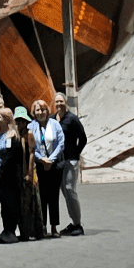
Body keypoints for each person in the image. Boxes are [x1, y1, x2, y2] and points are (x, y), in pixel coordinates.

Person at [31, 98, 66, 238]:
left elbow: (61, 143)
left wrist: (51, 159)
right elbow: (31, 145)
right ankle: (42, 225)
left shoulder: (55, 124)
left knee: (54, 196)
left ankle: (54, 226)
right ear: (34, 112)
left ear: (47, 111)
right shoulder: (31, 126)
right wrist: (41, 159)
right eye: (38, 110)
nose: (41, 112)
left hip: (55, 165)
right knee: (42, 197)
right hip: (40, 166)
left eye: (43, 109)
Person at [54, 93, 88, 237]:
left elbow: (83, 138)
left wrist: (75, 154)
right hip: (59, 161)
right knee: (65, 191)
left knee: (70, 189)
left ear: (65, 102)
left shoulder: (72, 119)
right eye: (57, 101)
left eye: (61, 101)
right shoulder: (52, 119)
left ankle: (78, 224)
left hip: (70, 160)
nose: (59, 103)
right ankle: (73, 222)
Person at [0, 106, 25, 243]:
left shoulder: (13, 137)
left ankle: (11, 231)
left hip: (10, 177)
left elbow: (10, 158)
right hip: (0, 177)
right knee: (4, 206)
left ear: (6, 120)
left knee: (11, 204)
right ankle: (6, 229)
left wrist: (0, 171)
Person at [14, 108, 46, 241]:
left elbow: (32, 153)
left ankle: (36, 230)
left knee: (32, 201)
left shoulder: (29, 134)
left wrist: (29, 173)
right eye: (18, 120)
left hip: (29, 170)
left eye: (22, 120)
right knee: (22, 203)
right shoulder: (16, 134)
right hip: (19, 171)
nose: (20, 123)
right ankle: (24, 231)